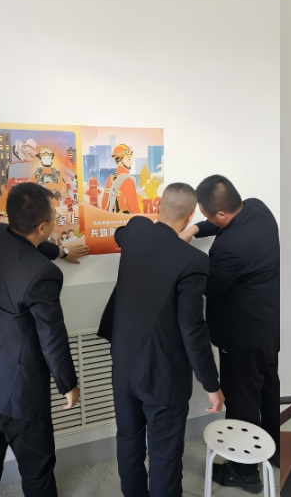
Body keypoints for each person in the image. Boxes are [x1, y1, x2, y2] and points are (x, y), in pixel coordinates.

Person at [98, 182, 224, 497]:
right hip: (162, 375)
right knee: (164, 455)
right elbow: (192, 327)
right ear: (191, 215)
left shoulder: (135, 231)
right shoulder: (193, 261)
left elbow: (121, 234)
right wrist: (212, 384)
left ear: (157, 207)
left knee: (128, 440)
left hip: (123, 363)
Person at [0, 183, 80, 497]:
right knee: (37, 470)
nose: (56, 220)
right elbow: (52, 336)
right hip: (16, 393)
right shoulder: (44, 275)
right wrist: (68, 384)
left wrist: (61, 252)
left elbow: (26, 245)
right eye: (55, 218)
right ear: (43, 227)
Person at [179, 176, 280, 493]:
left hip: (242, 337)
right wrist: (195, 229)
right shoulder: (258, 209)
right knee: (268, 389)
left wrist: (179, 253)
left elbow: (209, 286)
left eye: (207, 216)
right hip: (270, 325)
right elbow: (221, 222)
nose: (207, 221)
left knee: (242, 401)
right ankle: (276, 448)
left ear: (221, 214)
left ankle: (245, 473)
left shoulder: (229, 249)